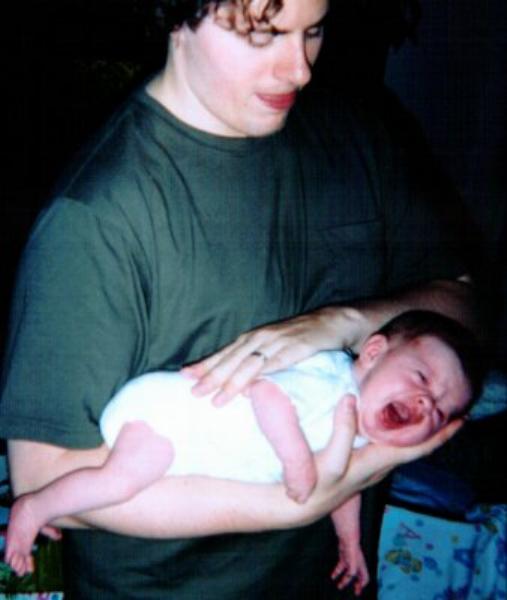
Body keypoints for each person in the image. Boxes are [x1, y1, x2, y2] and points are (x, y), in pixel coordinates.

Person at [0, 0, 477, 597]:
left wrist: (345, 322)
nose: (299, 68)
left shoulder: (363, 128)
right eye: (263, 34)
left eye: (313, 30)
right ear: (177, 16)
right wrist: (292, 504)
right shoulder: (95, 217)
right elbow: (44, 479)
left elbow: (467, 304)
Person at [5, 310, 481, 593]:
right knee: (122, 480)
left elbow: (345, 485)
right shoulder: (332, 378)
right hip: (173, 413)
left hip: (194, 445)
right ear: (373, 353)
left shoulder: (360, 435)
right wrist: (297, 461)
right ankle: (35, 506)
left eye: (440, 411)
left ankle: (50, 504)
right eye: (421, 378)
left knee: (136, 485)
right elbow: (267, 395)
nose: (426, 402)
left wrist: (350, 542)